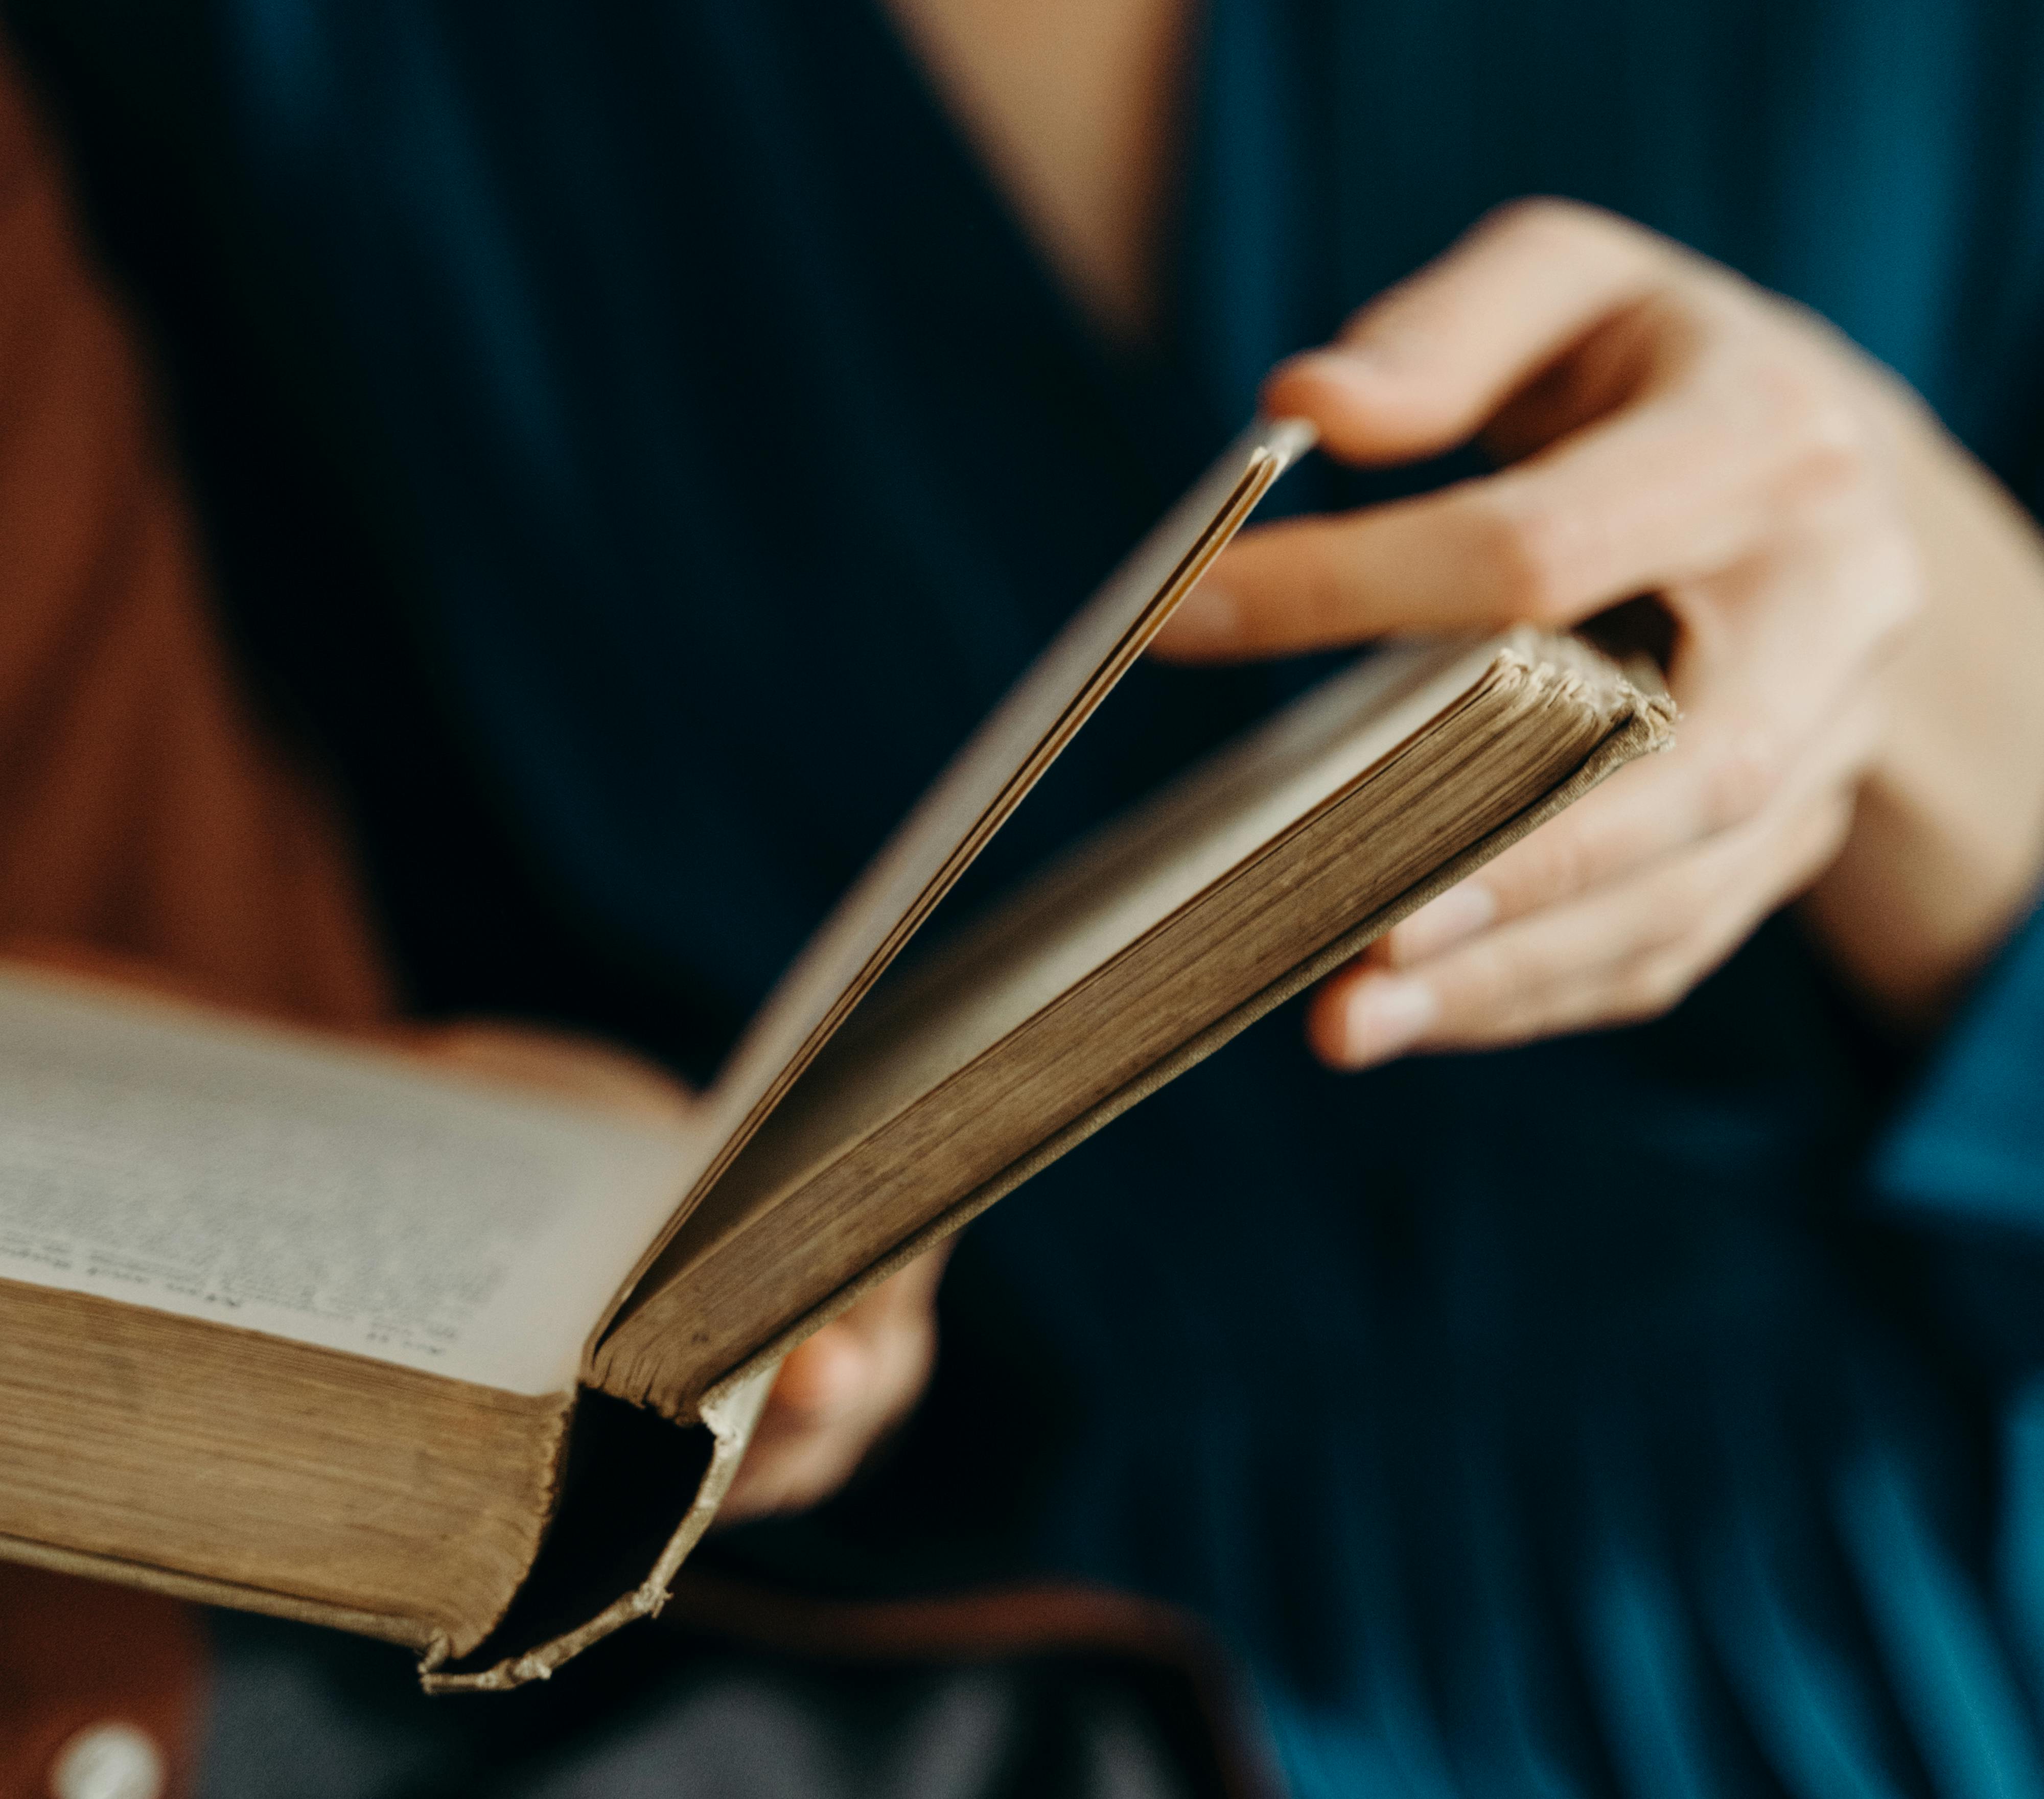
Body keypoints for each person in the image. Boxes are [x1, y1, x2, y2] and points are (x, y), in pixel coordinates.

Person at [6, 0, 2044, 1793]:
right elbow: (339, 823)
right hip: (975, 1668)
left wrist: (1936, 639)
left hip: (1933, 1580)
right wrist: (608, 1236)